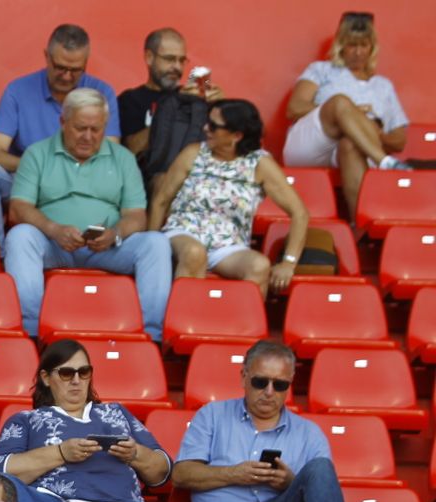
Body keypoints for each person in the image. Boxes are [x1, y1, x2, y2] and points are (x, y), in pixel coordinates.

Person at [166, 340, 389, 502]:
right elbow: (180, 474)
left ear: (290, 384)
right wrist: (234, 474)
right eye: (261, 382)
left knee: (319, 468)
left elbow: (319, 488)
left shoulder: (309, 433)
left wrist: (289, 483)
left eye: (280, 385)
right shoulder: (212, 415)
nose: (269, 392)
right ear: (244, 376)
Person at [6, 88, 172, 343]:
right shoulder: (37, 153)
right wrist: (53, 229)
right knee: (20, 236)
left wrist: (115, 234)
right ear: (63, 122)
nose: (88, 137)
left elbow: (136, 215)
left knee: (156, 243)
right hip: (53, 244)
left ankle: (151, 337)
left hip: (106, 248)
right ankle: (31, 331)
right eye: (80, 128)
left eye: (96, 130)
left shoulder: (123, 158)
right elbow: (19, 207)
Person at [0, 340, 170, 502]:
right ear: (46, 378)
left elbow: (162, 471)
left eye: (84, 372)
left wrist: (135, 454)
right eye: (66, 373)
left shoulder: (116, 413)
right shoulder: (26, 419)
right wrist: (61, 452)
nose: (76, 380)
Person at [0, 24, 120, 252]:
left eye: (76, 70)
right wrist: (38, 166)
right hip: (28, 178)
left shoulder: (102, 93)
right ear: (46, 57)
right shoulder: (18, 90)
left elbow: (110, 152)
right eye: (60, 67)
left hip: (81, 178)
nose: (67, 76)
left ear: (86, 63)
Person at [150, 99, 309, 297]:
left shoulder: (259, 163)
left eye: (214, 126)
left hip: (228, 246)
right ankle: (186, 320)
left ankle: (243, 326)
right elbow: (161, 201)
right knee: (194, 253)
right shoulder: (193, 153)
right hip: (183, 233)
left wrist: (289, 262)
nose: (206, 128)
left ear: (237, 135)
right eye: (208, 122)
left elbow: (299, 213)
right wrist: (151, 244)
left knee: (260, 265)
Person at [283, 11, 412, 216]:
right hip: (311, 146)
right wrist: (350, 111)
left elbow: (399, 141)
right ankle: (385, 162)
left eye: (364, 45)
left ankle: (358, 223)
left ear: (372, 48)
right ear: (341, 46)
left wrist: (371, 130)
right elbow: (294, 108)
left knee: (351, 144)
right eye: (352, 45)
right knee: (340, 102)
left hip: (354, 150)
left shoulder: (383, 86)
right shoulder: (321, 70)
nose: (358, 52)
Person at [117, 28, 224, 159]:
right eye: (169, 59)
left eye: (182, 60)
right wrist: (170, 109)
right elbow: (131, 149)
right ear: (149, 57)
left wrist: (221, 108)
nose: (177, 67)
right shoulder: (130, 99)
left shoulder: (191, 98)